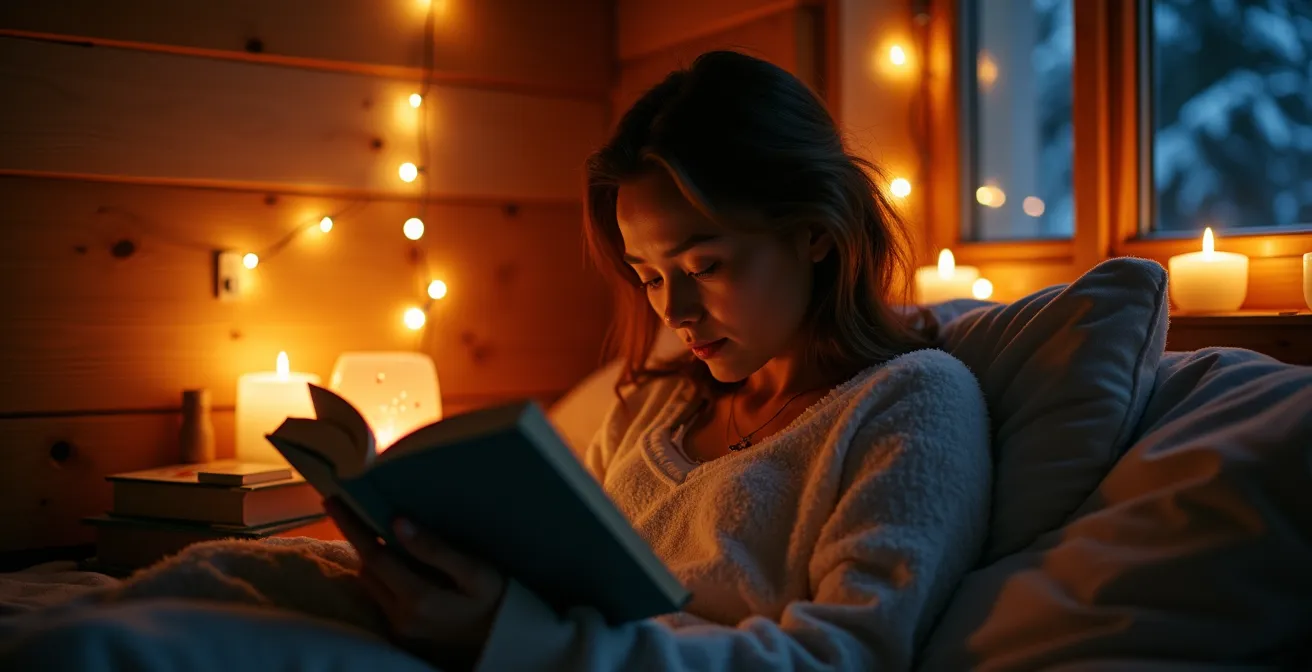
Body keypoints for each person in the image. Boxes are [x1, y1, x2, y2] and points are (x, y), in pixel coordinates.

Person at [325, 50, 992, 671]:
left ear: (815, 231)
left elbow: (841, 655)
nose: (673, 311)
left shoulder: (913, 402)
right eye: (647, 275)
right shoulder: (652, 408)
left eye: (705, 265)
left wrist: (520, 640)